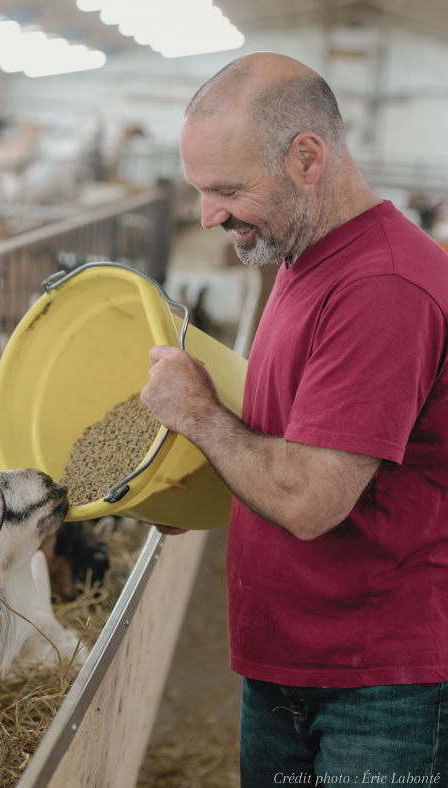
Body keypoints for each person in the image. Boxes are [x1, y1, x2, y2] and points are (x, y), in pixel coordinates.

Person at [139, 52, 448, 781]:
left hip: (379, 682)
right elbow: (285, 428)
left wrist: (197, 417)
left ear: (307, 157)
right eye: (199, 191)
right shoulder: (301, 255)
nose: (209, 215)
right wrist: (191, 478)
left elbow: (310, 500)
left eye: (226, 189)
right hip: (294, 658)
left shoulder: (384, 286)